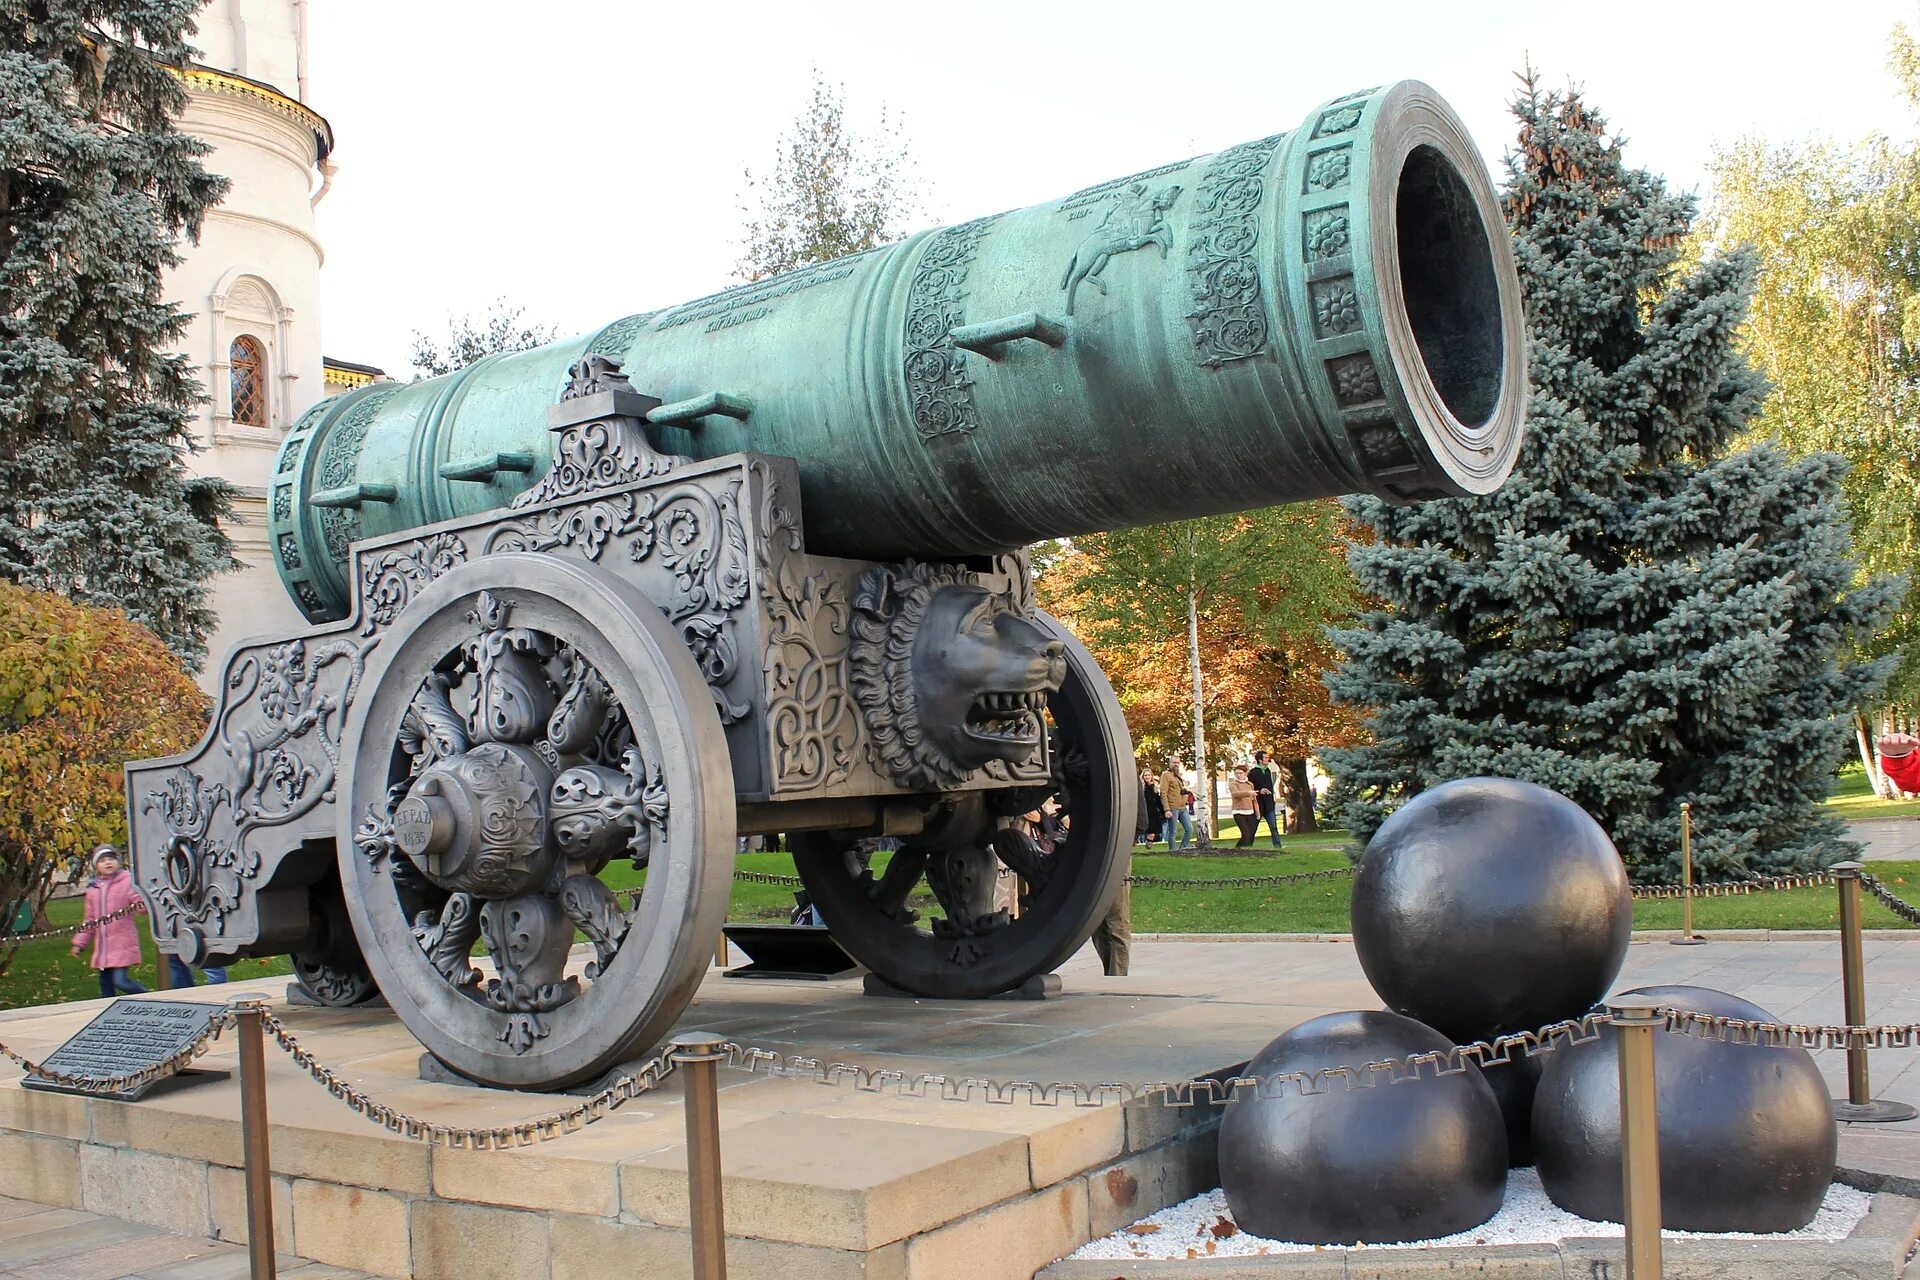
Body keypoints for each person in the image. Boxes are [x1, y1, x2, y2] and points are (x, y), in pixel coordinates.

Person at [71, 847, 146, 999]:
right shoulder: (94, 889)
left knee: (120, 981)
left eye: (111, 859)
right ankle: (108, 1012)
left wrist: (145, 902)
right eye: (102, 860)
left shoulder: (127, 882)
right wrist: (79, 943)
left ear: (118, 862)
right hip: (103, 947)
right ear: (96, 866)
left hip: (122, 943)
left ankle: (148, 998)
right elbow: (90, 919)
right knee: (106, 987)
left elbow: (141, 906)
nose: (108, 863)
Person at [1248, 750, 1285, 850]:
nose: (1268, 759)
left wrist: (1272, 795)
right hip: (1258, 805)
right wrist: (1260, 791)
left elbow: (1270, 786)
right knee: (1253, 827)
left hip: (1269, 804)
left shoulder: (1268, 771)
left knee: (1273, 827)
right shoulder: (1253, 773)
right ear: (1260, 760)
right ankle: (1247, 846)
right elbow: (1249, 789)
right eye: (1265, 758)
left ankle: (1278, 846)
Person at [1158, 759, 1193, 849]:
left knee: (1189, 828)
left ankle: (1183, 848)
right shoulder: (1166, 775)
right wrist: (1166, 809)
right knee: (1173, 831)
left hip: (1182, 806)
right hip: (1172, 807)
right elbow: (1163, 793)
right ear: (1170, 763)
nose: (1176, 764)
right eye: (1174, 762)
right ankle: (1173, 850)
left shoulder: (1178, 776)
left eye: (1177, 763)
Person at [1228, 764, 1259, 848]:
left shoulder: (1250, 784)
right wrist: (1248, 793)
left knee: (1251, 833)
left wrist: (1257, 812)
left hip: (1250, 811)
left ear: (1245, 773)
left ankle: (1246, 849)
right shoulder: (1233, 784)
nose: (1238, 775)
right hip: (1238, 811)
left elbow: (1254, 800)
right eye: (1236, 773)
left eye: (1240, 773)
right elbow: (1236, 794)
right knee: (1245, 834)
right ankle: (1237, 849)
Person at [1138, 767, 1166, 847]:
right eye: (1145, 775)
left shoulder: (1154, 787)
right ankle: (1143, 842)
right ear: (1143, 777)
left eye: (1149, 775)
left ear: (1151, 776)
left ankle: (1148, 843)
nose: (1147, 777)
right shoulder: (1141, 787)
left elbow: (1158, 801)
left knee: (1153, 830)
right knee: (1145, 828)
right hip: (1144, 811)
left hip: (1153, 812)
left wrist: (1163, 812)